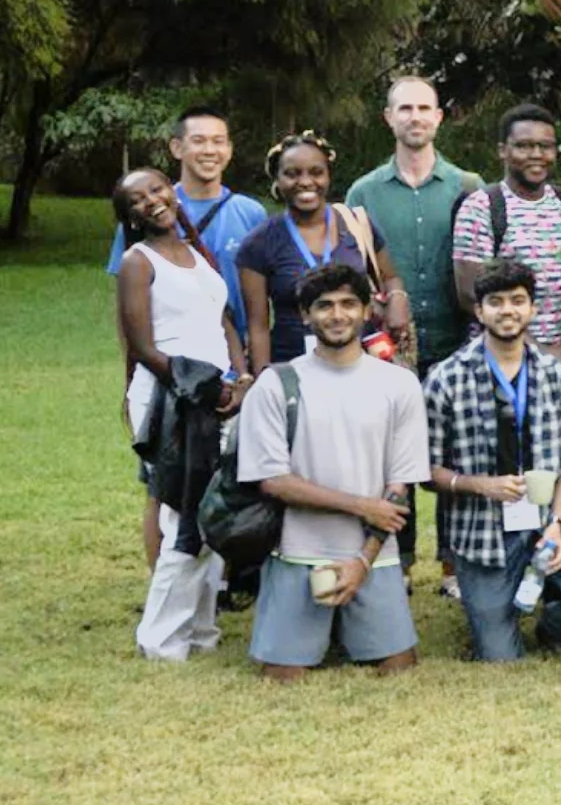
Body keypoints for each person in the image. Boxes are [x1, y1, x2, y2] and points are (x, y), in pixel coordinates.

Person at [237, 262, 427, 680]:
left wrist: (363, 559)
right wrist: (362, 506)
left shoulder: (399, 384)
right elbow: (273, 480)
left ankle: (353, 625)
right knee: (283, 676)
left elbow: (399, 488)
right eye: (324, 306)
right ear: (305, 315)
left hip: (372, 556)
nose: (337, 315)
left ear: (366, 311)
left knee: (399, 669)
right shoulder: (276, 385)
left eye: (348, 304)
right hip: (296, 552)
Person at [424, 258, 561, 663]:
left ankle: (554, 626)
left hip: (545, 519)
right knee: (500, 657)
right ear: (479, 311)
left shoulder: (557, 376)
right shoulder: (446, 377)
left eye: (518, 301)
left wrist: (558, 526)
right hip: (480, 531)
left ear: (533, 308)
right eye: (496, 302)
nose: (508, 310)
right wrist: (481, 485)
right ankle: (498, 607)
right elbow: (427, 471)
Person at [116, 169, 245, 661]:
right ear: (129, 216)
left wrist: (240, 377)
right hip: (172, 400)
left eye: (157, 189)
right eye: (138, 199)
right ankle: (162, 640)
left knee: (212, 513)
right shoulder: (138, 261)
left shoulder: (196, 255)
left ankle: (201, 630)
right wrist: (206, 389)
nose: (152, 201)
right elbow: (145, 347)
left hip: (215, 395)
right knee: (183, 517)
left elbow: (223, 320)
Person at [237, 132, 412, 373]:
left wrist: (397, 299)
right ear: (277, 180)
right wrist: (264, 381)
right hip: (295, 367)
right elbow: (257, 326)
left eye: (316, 172)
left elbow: (390, 276)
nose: (306, 182)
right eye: (292, 174)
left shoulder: (357, 224)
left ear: (328, 175)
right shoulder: (259, 243)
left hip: (361, 363)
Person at [346, 76, 484, 367]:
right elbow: (349, 271)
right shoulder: (363, 193)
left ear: (438, 117)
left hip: (459, 351)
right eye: (405, 109)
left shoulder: (469, 188)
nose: (415, 117)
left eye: (424, 108)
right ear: (389, 117)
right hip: (385, 354)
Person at [104, 105, 268, 348]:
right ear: (177, 148)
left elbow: (261, 302)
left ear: (229, 150)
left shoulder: (251, 213)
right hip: (171, 361)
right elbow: (126, 308)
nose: (209, 150)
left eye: (218, 141)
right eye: (199, 141)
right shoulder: (148, 213)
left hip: (236, 356)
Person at [450, 103, 561, 370]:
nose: (537, 155)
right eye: (524, 146)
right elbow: (469, 293)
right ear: (503, 151)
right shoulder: (482, 207)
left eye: (546, 146)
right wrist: (536, 350)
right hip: (501, 362)